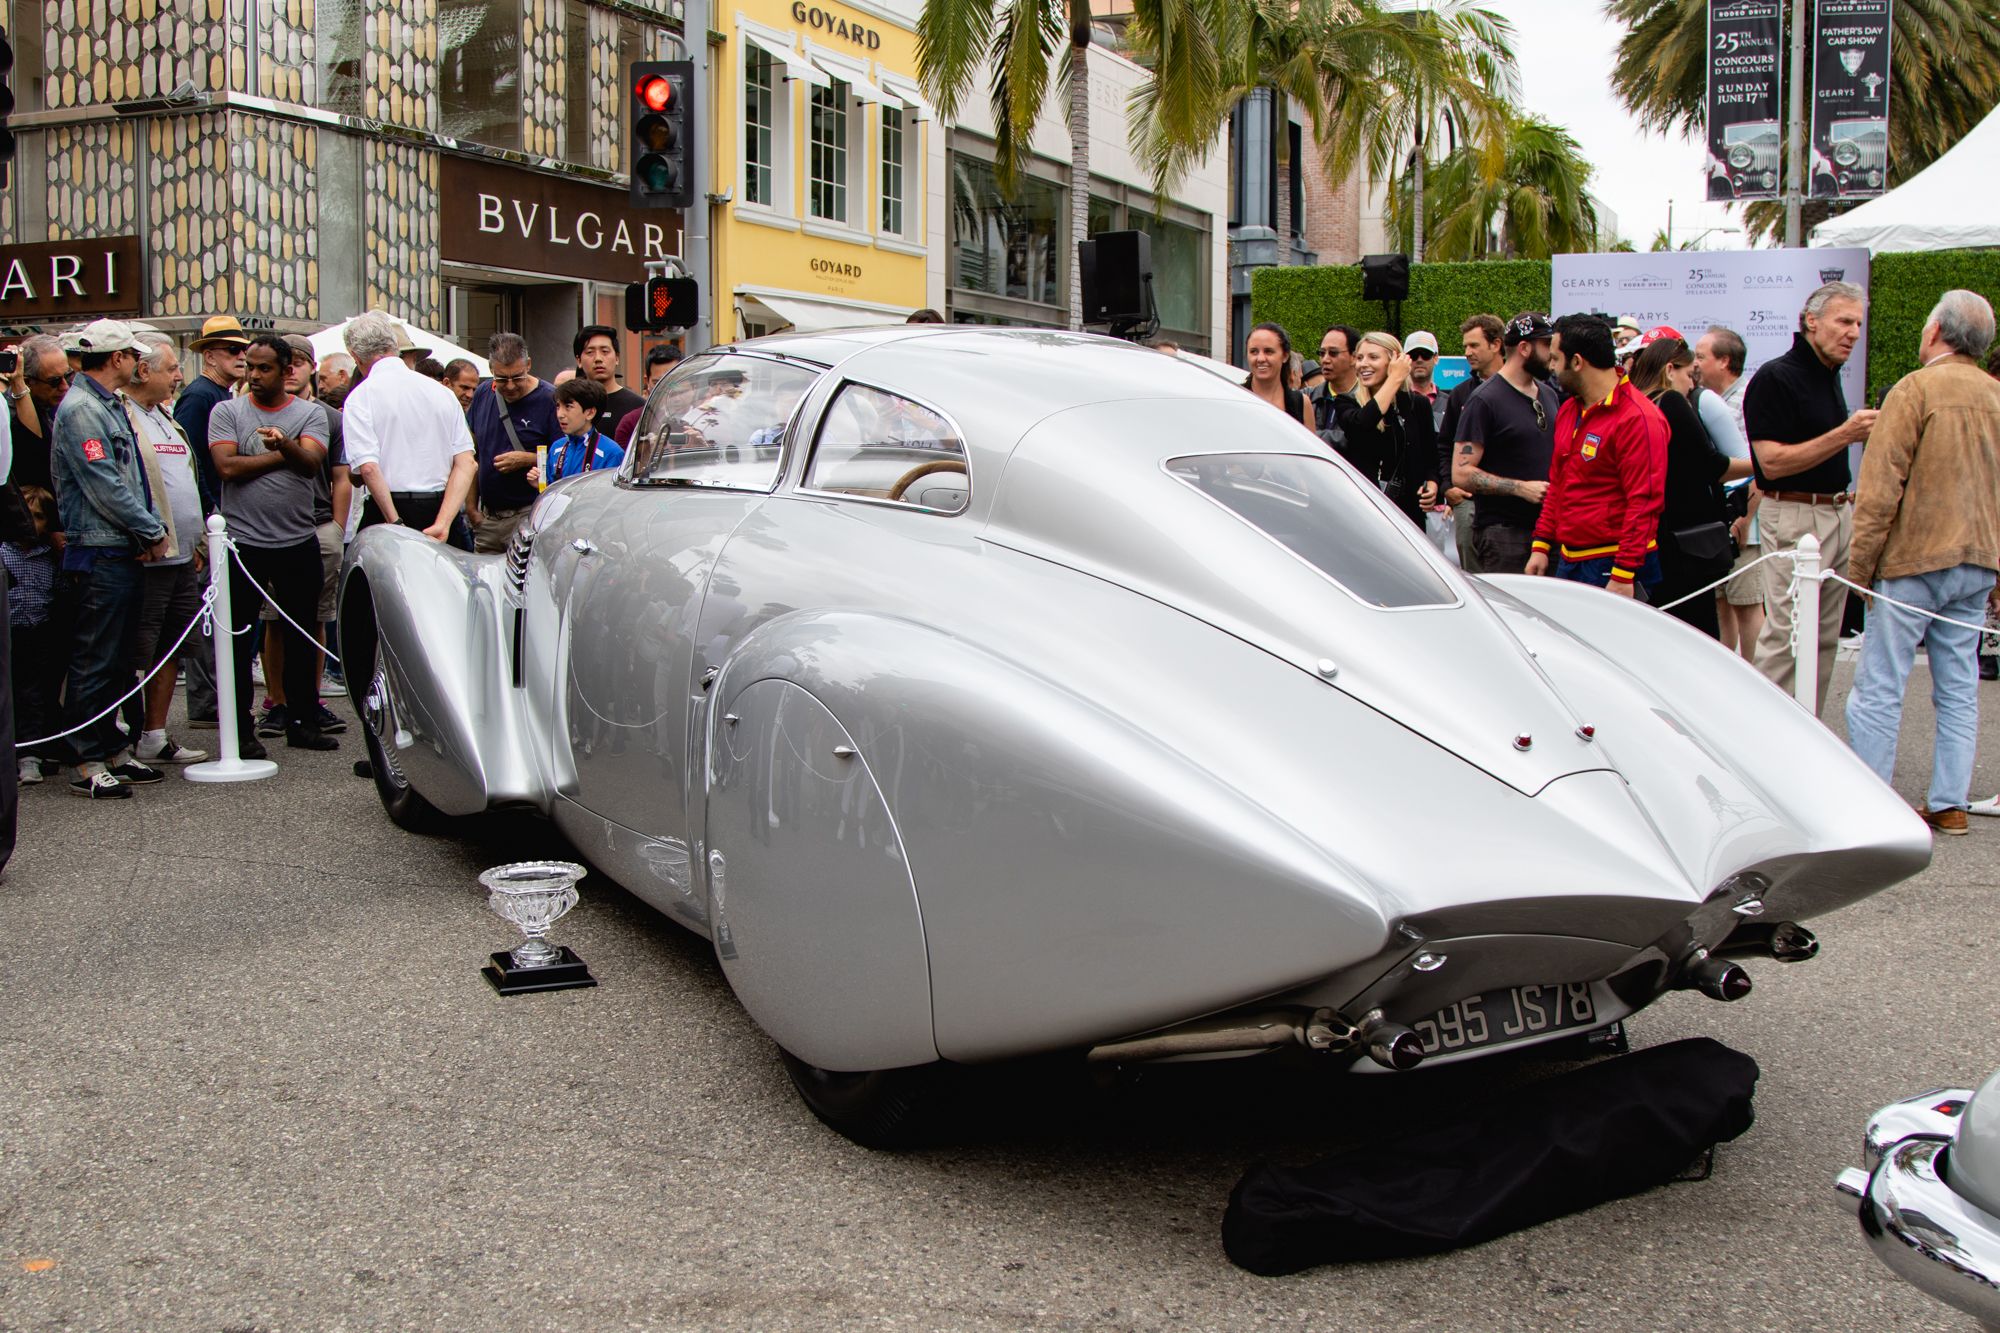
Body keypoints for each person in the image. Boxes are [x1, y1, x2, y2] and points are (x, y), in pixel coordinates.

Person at [1844, 292, 2000, 836]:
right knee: (1958, 685)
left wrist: (1857, 570)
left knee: (1881, 683)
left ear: (1935, 331)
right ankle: (1949, 802)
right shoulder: (1996, 395)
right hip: (1979, 559)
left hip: (1913, 558)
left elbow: (1880, 488)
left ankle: (1872, 802)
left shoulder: (1915, 389)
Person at [49, 320, 170, 797]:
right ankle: (85, 759)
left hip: (118, 547)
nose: (139, 363)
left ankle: (111, 749)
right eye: (132, 355)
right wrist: (150, 526)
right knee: (96, 657)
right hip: (100, 548)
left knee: (118, 659)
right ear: (116, 358)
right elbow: (103, 483)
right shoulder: (82, 409)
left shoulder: (104, 404)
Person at [1744, 280, 1877, 715]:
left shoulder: (1827, 375)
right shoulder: (1775, 377)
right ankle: (1761, 738)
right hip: (1796, 516)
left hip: (1835, 514)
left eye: (1857, 323)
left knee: (1822, 637)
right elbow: (1771, 464)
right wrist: (1847, 433)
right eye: (1844, 321)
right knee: (1786, 636)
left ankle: (1806, 733)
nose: (1853, 332)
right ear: (1811, 321)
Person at [208, 334, 338, 754]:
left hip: (297, 539)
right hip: (242, 543)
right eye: (250, 366)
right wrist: (286, 451)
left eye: (265, 368)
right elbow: (227, 467)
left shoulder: (310, 414)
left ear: (287, 370)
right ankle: (240, 729)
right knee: (239, 636)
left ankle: (302, 719)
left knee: (301, 633)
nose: (255, 375)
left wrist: (286, 445)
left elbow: (311, 463)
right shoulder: (226, 411)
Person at [1526, 315, 1668, 596]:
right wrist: (1541, 544)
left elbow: (1644, 503)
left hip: (1615, 564)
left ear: (1577, 362)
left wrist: (1624, 573)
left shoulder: (1638, 417)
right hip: (1570, 559)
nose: (1551, 366)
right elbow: (1558, 484)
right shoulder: (1570, 410)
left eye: (1555, 358)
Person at [120, 333, 209, 766]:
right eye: (172, 368)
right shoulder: (122, 415)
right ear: (143, 370)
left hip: (181, 553)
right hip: (148, 555)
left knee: (172, 647)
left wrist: (197, 542)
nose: (179, 376)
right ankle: (121, 736)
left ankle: (154, 734)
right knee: (135, 649)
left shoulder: (163, 416)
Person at [253, 336, 348, 739]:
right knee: (272, 620)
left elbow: (338, 476)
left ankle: (308, 701)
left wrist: (337, 529)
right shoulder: (239, 411)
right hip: (263, 531)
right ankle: (277, 701)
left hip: (317, 525)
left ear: (307, 366)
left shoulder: (326, 416)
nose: (289, 371)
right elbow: (224, 466)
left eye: (296, 363)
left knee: (314, 617)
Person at [1626, 329, 1750, 636]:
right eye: (1688, 373)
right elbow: (1710, 466)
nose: (1692, 383)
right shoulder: (1671, 402)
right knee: (1695, 630)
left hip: (1653, 531)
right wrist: (1761, 465)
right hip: (1684, 539)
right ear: (1669, 369)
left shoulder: (1637, 404)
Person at [342, 312, 476, 549]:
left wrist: (395, 522)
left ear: (355, 356)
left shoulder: (360, 398)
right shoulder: (441, 392)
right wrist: (444, 522)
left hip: (389, 509)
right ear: (394, 347)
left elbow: (369, 468)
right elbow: (467, 463)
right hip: (443, 506)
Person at [1452, 313, 1560, 575]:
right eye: (1547, 345)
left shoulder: (1548, 393)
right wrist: (1520, 488)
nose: (1554, 353)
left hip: (1549, 533)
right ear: (1524, 348)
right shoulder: (1485, 400)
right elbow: (1461, 472)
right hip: (1504, 535)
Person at [1694, 327, 1762, 655]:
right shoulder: (1713, 401)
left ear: (1724, 362)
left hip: (1745, 523)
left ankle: (1753, 681)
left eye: (1701, 356)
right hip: (1722, 521)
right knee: (1722, 601)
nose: (1694, 364)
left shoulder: (1750, 400)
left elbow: (1760, 464)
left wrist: (1746, 518)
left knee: (1747, 604)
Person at [1332, 331, 1437, 527]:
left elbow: (1430, 455)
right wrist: (1394, 379)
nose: (1363, 364)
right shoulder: (1346, 402)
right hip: (1367, 513)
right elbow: (1363, 424)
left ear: (1395, 361)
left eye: (1373, 357)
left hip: (1409, 514)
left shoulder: (1417, 405)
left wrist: (1432, 483)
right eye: (1360, 357)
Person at [469, 332, 560, 553]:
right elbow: (472, 453)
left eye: (517, 377)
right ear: (491, 370)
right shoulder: (483, 393)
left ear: (528, 365)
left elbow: (564, 458)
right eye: (501, 379)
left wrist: (527, 459)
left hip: (528, 516)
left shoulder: (550, 399)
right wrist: (471, 509)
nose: (509, 386)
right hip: (487, 519)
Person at [6, 485, 67, 786]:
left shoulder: (49, 557)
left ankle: (39, 750)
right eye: (26, 516)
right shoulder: (4, 553)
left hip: (40, 631)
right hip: (10, 633)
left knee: (41, 694)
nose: (32, 524)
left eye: (39, 517)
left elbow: (58, 592)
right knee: (20, 694)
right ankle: (23, 753)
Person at [1439, 314, 1504, 573]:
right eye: (1465, 346)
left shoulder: (1528, 389)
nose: (1467, 352)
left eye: (1474, 345)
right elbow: (1443, 445)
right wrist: (1447, 487)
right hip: (1469, 501)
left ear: (1496, 345)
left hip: (1511, 507)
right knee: (1474, 579)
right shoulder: (1461, 394)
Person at [529, 379, 626, 486]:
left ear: (590, 413)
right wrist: (541, 485)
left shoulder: (611, 453)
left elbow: (612, 497)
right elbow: (553, 493)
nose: (560, 414)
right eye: (558, 406)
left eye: (568, 407)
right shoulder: (557, 447)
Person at [8, 333, 71, 493]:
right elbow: (37, 449)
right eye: (54, 381)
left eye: (68, 376)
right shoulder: (9, 413)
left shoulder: (56, 402)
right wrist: (17, 382)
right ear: (28, 381)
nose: (65, 386)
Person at [574, 325, 645, 438]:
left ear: (617, 358)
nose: (598, 358)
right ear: (579, 361)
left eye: (605, 351)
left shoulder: (638, 406)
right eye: (590, 352)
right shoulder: (570, 404)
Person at [1244, 324, 1313, 429]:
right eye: (1254, 352)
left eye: (1268, 351)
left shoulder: (1302, 404)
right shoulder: (1234, 398)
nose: (1261, 358)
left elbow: (1309, 445)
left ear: (1285, 356)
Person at [613, 345, 682, 447]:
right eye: (657, 383)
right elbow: (623, 460)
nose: (664, 389)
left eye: (671, 382)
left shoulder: (694, 419)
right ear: (647, 381)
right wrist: (647, 449)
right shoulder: (631, 423)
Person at [1308, 325, 1361, 446]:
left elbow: (1358, 440)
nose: (1325, 359)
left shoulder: (1367, 400)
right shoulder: (1307, 397)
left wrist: (1309, 436)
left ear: (1354, 357)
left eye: (1333, 353)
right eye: (1322, 353)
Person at [1403, 331, 1445, 433]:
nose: (1419, 360)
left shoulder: (1451, 403)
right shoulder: (1396, 401)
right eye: (1413, 355)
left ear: (1435, 358)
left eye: (1426, 354)